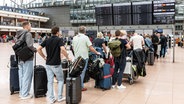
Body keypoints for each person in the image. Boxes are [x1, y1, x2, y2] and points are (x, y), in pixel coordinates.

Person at [37, 27, 71, 103]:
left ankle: (52, 98)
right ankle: (59, 97)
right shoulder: (59, 39)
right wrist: (68, 57)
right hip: (56, 64)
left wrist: (44, 57)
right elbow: (62, 49)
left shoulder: (47, 40)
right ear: (57, 32)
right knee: (61, 80)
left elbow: (38, 49)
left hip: (48, 64)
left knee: (50, 81)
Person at [72, 26, 100, 91]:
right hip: (84, 57)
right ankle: (80, 87)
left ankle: (77, 85)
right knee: (82, 72)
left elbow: (73, 47)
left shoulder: (74, 37)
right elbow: (91, 48)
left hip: (77, 57)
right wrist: (96, 52)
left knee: (77, 72)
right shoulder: (85, 37)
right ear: (85, 31)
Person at [15, 21, 36, 99]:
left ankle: (22, 92)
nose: (31, 27)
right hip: (27, 58)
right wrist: (35, 49)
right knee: (27, 75)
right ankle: (25, 94)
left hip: (20, 57)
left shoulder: (18, 34)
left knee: (22, 76)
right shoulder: (28, 34)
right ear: (27, 26)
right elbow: (30, 45)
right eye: (30, 25)